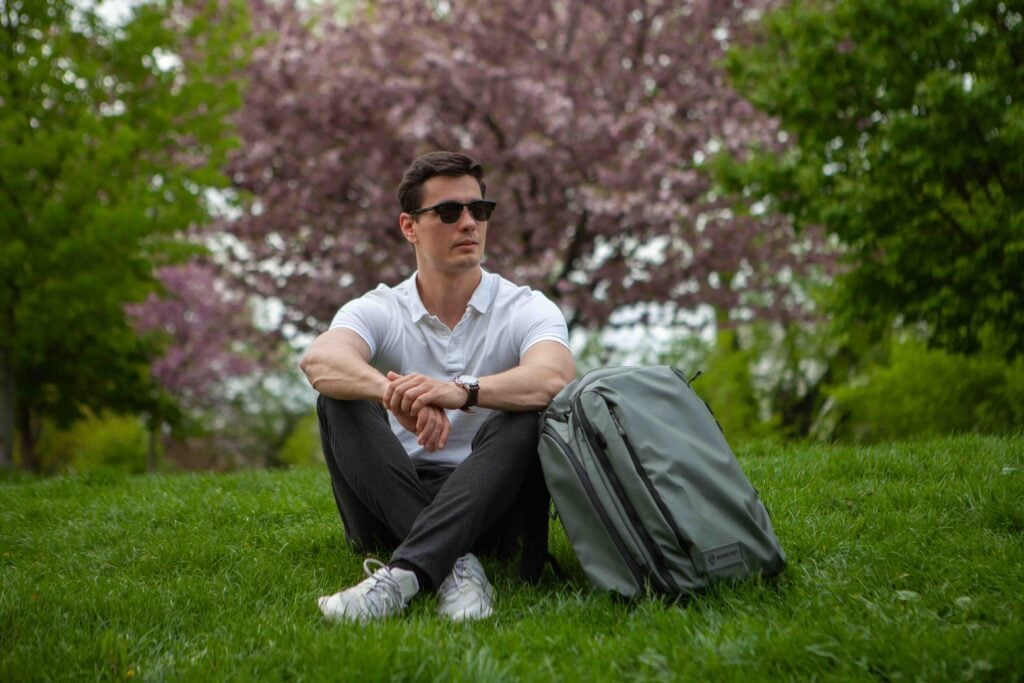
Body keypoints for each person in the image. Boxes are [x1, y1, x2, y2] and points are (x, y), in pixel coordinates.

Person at [300, 151, 576, 623]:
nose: (469, 223)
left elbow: (554, 375)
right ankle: (454, 565)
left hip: (492, 506)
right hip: (388, 504)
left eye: (479, 210)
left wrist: (461, 390)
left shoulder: (525, 306)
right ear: (409, 227)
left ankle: (406, 573)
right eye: (449, 212)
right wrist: (393, 394)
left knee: (528, 412)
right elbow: (321, 360)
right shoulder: (382, 307)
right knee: (339, 401)